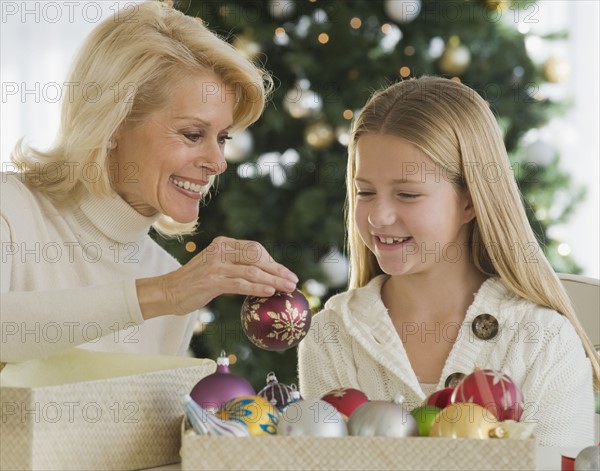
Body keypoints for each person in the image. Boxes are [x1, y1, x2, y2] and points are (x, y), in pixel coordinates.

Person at [297, 76, 598, 446]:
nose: (378, 216)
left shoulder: (543, 342)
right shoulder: (332, 336)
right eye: (365, 192)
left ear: (470, 201)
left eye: (407, 194)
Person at [0, 1, 298, 364]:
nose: (218, 163)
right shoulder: (11, 209)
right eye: (192, 134)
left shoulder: (168, 277)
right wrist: (163, 295)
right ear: (112, 124)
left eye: (223, 138)